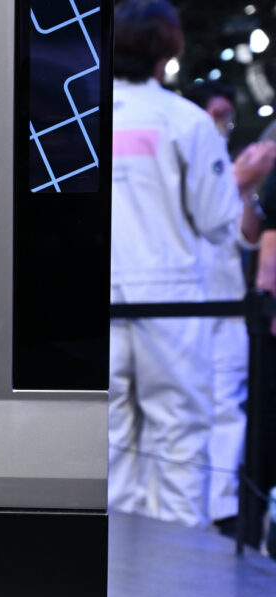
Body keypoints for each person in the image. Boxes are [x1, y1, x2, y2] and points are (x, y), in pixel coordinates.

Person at [110, 0, 245, 526]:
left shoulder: (79, 118)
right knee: (179, 438)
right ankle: (174, 564)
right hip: (170, 297)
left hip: (98, 296)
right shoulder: (186, 121)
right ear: (169, 48)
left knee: (107, 440)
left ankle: (111, 567)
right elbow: (218, 220)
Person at [184, 82, 276, 526]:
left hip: (227, 301)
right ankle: (178, 509)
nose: (222, 123)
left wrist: (247, 189)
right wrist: (238, 178)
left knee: (227, 403)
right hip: (180, 300)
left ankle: (222, 511)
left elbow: (247, 234)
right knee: (178, 404)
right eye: (215, 113)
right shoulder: (181, 150)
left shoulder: (229, 158)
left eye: (227, 115)